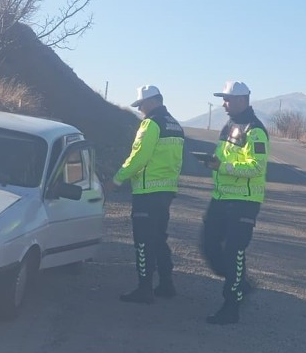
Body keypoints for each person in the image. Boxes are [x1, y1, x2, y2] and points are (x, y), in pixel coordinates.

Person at [198, 81, 269, 325]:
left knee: (233, 253)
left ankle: (231, 306)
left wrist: (223, 167)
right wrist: (212, 162)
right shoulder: (228, 126)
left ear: (241, 100)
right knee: (209, 246)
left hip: (244, 202)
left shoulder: (255, 130)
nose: (223, 103)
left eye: (227, 99)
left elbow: (257, 166)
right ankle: (241, 284)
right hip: (221, 198)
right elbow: (222, 157)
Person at [114, 85, 186, 304]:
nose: (140, 110)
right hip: (166, 191)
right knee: (159, 239)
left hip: (147, 191)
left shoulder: (151, 124)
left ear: (153, 101)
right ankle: (166, 284)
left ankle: (144, 289)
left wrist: (117, 179)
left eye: (142, 105)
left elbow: (139, 157)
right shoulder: (175, 125)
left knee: (144, 241)